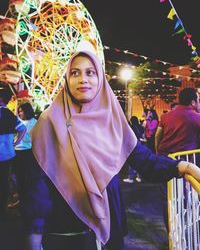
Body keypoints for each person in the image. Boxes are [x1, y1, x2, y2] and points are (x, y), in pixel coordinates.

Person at [21, 43, 200, 250]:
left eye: (90, 72)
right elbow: (38, 184)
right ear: (67, 80)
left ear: (100, 79)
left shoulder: (113, 121)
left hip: (110, 228)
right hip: (66, 232)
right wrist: (34, 236)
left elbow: (144, 160)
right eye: (75, 73)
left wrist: (182, 167)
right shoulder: (49, 122)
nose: (83, 79)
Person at [155, 87, 200, 230]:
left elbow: (157, 136)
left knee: (167, 199)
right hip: (185, 166)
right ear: (193, 102)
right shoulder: (196, 117)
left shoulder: (166, 116)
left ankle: (171, 232)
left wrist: (159, 154)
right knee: (186, 199)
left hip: (164, 163)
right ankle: (184, 230)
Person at [0, 87, 26, 221]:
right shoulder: (11, 115)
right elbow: (23, 129)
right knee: (4, 179)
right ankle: (2, 207)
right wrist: (15, 143)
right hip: (8, 154)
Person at [14, 102, 37, 202]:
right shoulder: (21, 122)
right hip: (18, 151)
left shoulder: (34, 122)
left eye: (21, 111)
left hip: (26, 152)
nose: (20, 113)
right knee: (18, 174)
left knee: (24, 175)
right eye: (19, 111)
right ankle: (20, 194)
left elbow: (33, 138)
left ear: (27, 111)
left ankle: (23, 197)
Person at [123, 116, 144, 183]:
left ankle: (131, 178)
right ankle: (139, 177)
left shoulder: (131, 127)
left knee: (131, 162)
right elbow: (143, 135)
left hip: (132, 145)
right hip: (140, 144)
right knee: (139, 161)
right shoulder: (140, 127)